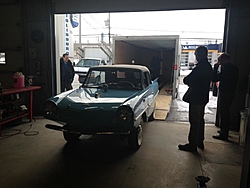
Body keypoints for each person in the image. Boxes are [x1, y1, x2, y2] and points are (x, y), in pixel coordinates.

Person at [178, 46, 212, 152]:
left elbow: (187, 79)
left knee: (195, 121)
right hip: (203, 97)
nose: (196, 56)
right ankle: (199, 141)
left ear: (200, 55)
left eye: (196, 54)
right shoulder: (208, 66)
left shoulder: (200, 67)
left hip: (196, 97)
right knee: (200, 120)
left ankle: (192, 144)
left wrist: (192, 82)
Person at [212, 53, 239, 141]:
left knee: (224, 113)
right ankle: (224, 130)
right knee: (225, 112)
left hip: (225, 92)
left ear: (225, 60)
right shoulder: (234, 68)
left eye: (220, 60)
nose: (219, 62)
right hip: (231, 92)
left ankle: (224, 134)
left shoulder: (227, 69)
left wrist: (215, 68)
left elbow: (215, 78)